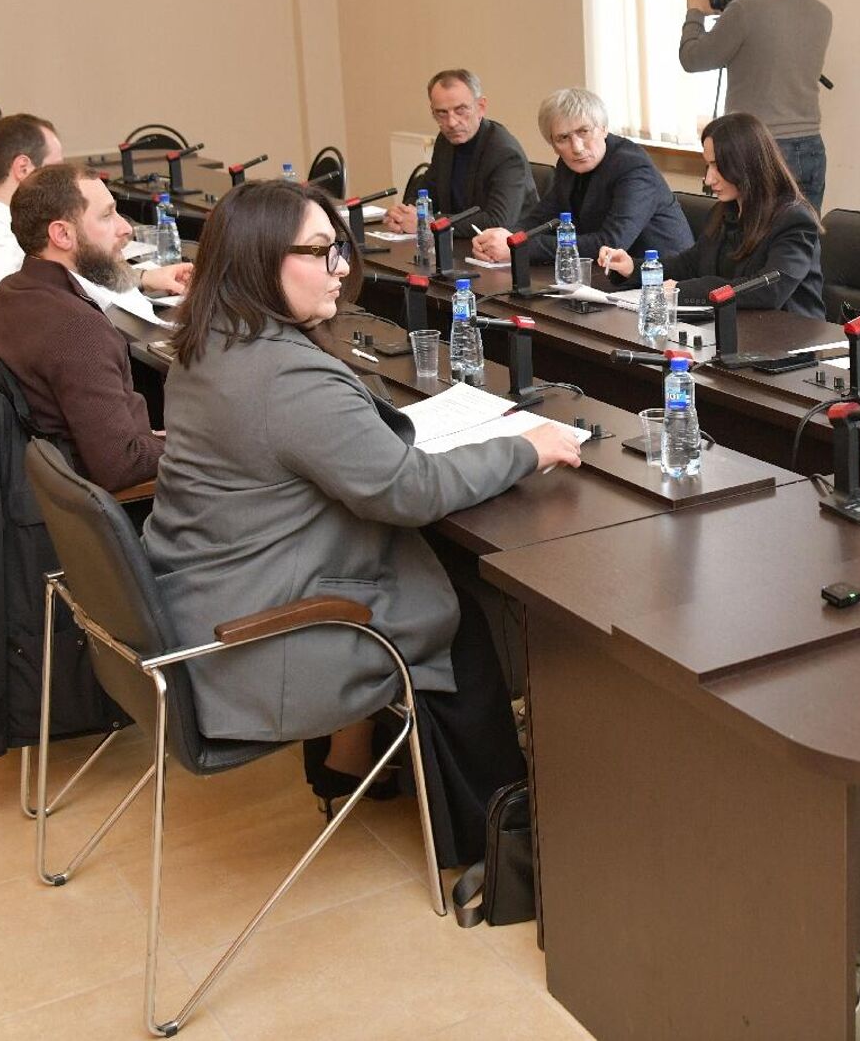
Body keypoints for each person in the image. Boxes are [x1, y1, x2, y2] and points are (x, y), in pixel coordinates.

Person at [143, 180, 581, 857]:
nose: (342, 267)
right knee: (455, 612)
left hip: (208, 597)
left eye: (339, 249)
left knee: (431, 574)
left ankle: (350, 762)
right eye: (320, 251)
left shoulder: (211, 341)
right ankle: (497, 841)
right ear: (259, 261)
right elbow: (408, 490)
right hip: (255, 634)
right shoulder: (284, 377)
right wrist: (526, 449)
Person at [0, 115, 193, 357]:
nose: (66, 175)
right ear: (23, 168)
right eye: (57, 166)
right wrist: (58, 338)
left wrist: (142, 279)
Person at [0, 163, 169, 493]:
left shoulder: (11, 292)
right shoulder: (78, 329)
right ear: (62, 235)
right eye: (107, 216)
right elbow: (122, 464)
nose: (125, 229)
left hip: (46, 487)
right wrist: (197, 443)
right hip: (98, 505)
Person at [597, 112, 824, 318]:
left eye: (718, 166)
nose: (709, 179)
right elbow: (690, 264)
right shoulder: (725, 211)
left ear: (747, 165)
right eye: (708, 166)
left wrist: (681, 291)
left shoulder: (794, 219)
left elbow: (768, 290)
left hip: (789, 337)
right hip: (734, 326)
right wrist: (634, 268)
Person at [678, 0, 834, 211]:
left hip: (760, 148)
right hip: (811, 145)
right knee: (804, 234)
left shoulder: (744, 10)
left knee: (756, 234)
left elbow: (693, 58)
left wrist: (695, 12)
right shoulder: (821, 13)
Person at [472, 88, 692, 267]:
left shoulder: (634, 169)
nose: (576, 147)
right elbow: (542, 217)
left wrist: (519, 248)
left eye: (584, 132)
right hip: (604, 278)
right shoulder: (569, 165)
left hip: (660, 280)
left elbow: (611, 243)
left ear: (604, 129)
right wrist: (503, 237)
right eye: (563, 138)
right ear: (552, 144)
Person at [381, 68, 537, 235]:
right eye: (442, 113)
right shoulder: (445, 141)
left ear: (481, 107)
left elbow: (497, 221)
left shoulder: (504, 152)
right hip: (460, 243)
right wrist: (402, 215)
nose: (452, 122)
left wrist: (428, 223)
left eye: (460, 110)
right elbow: (427, 192)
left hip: (508, 248)